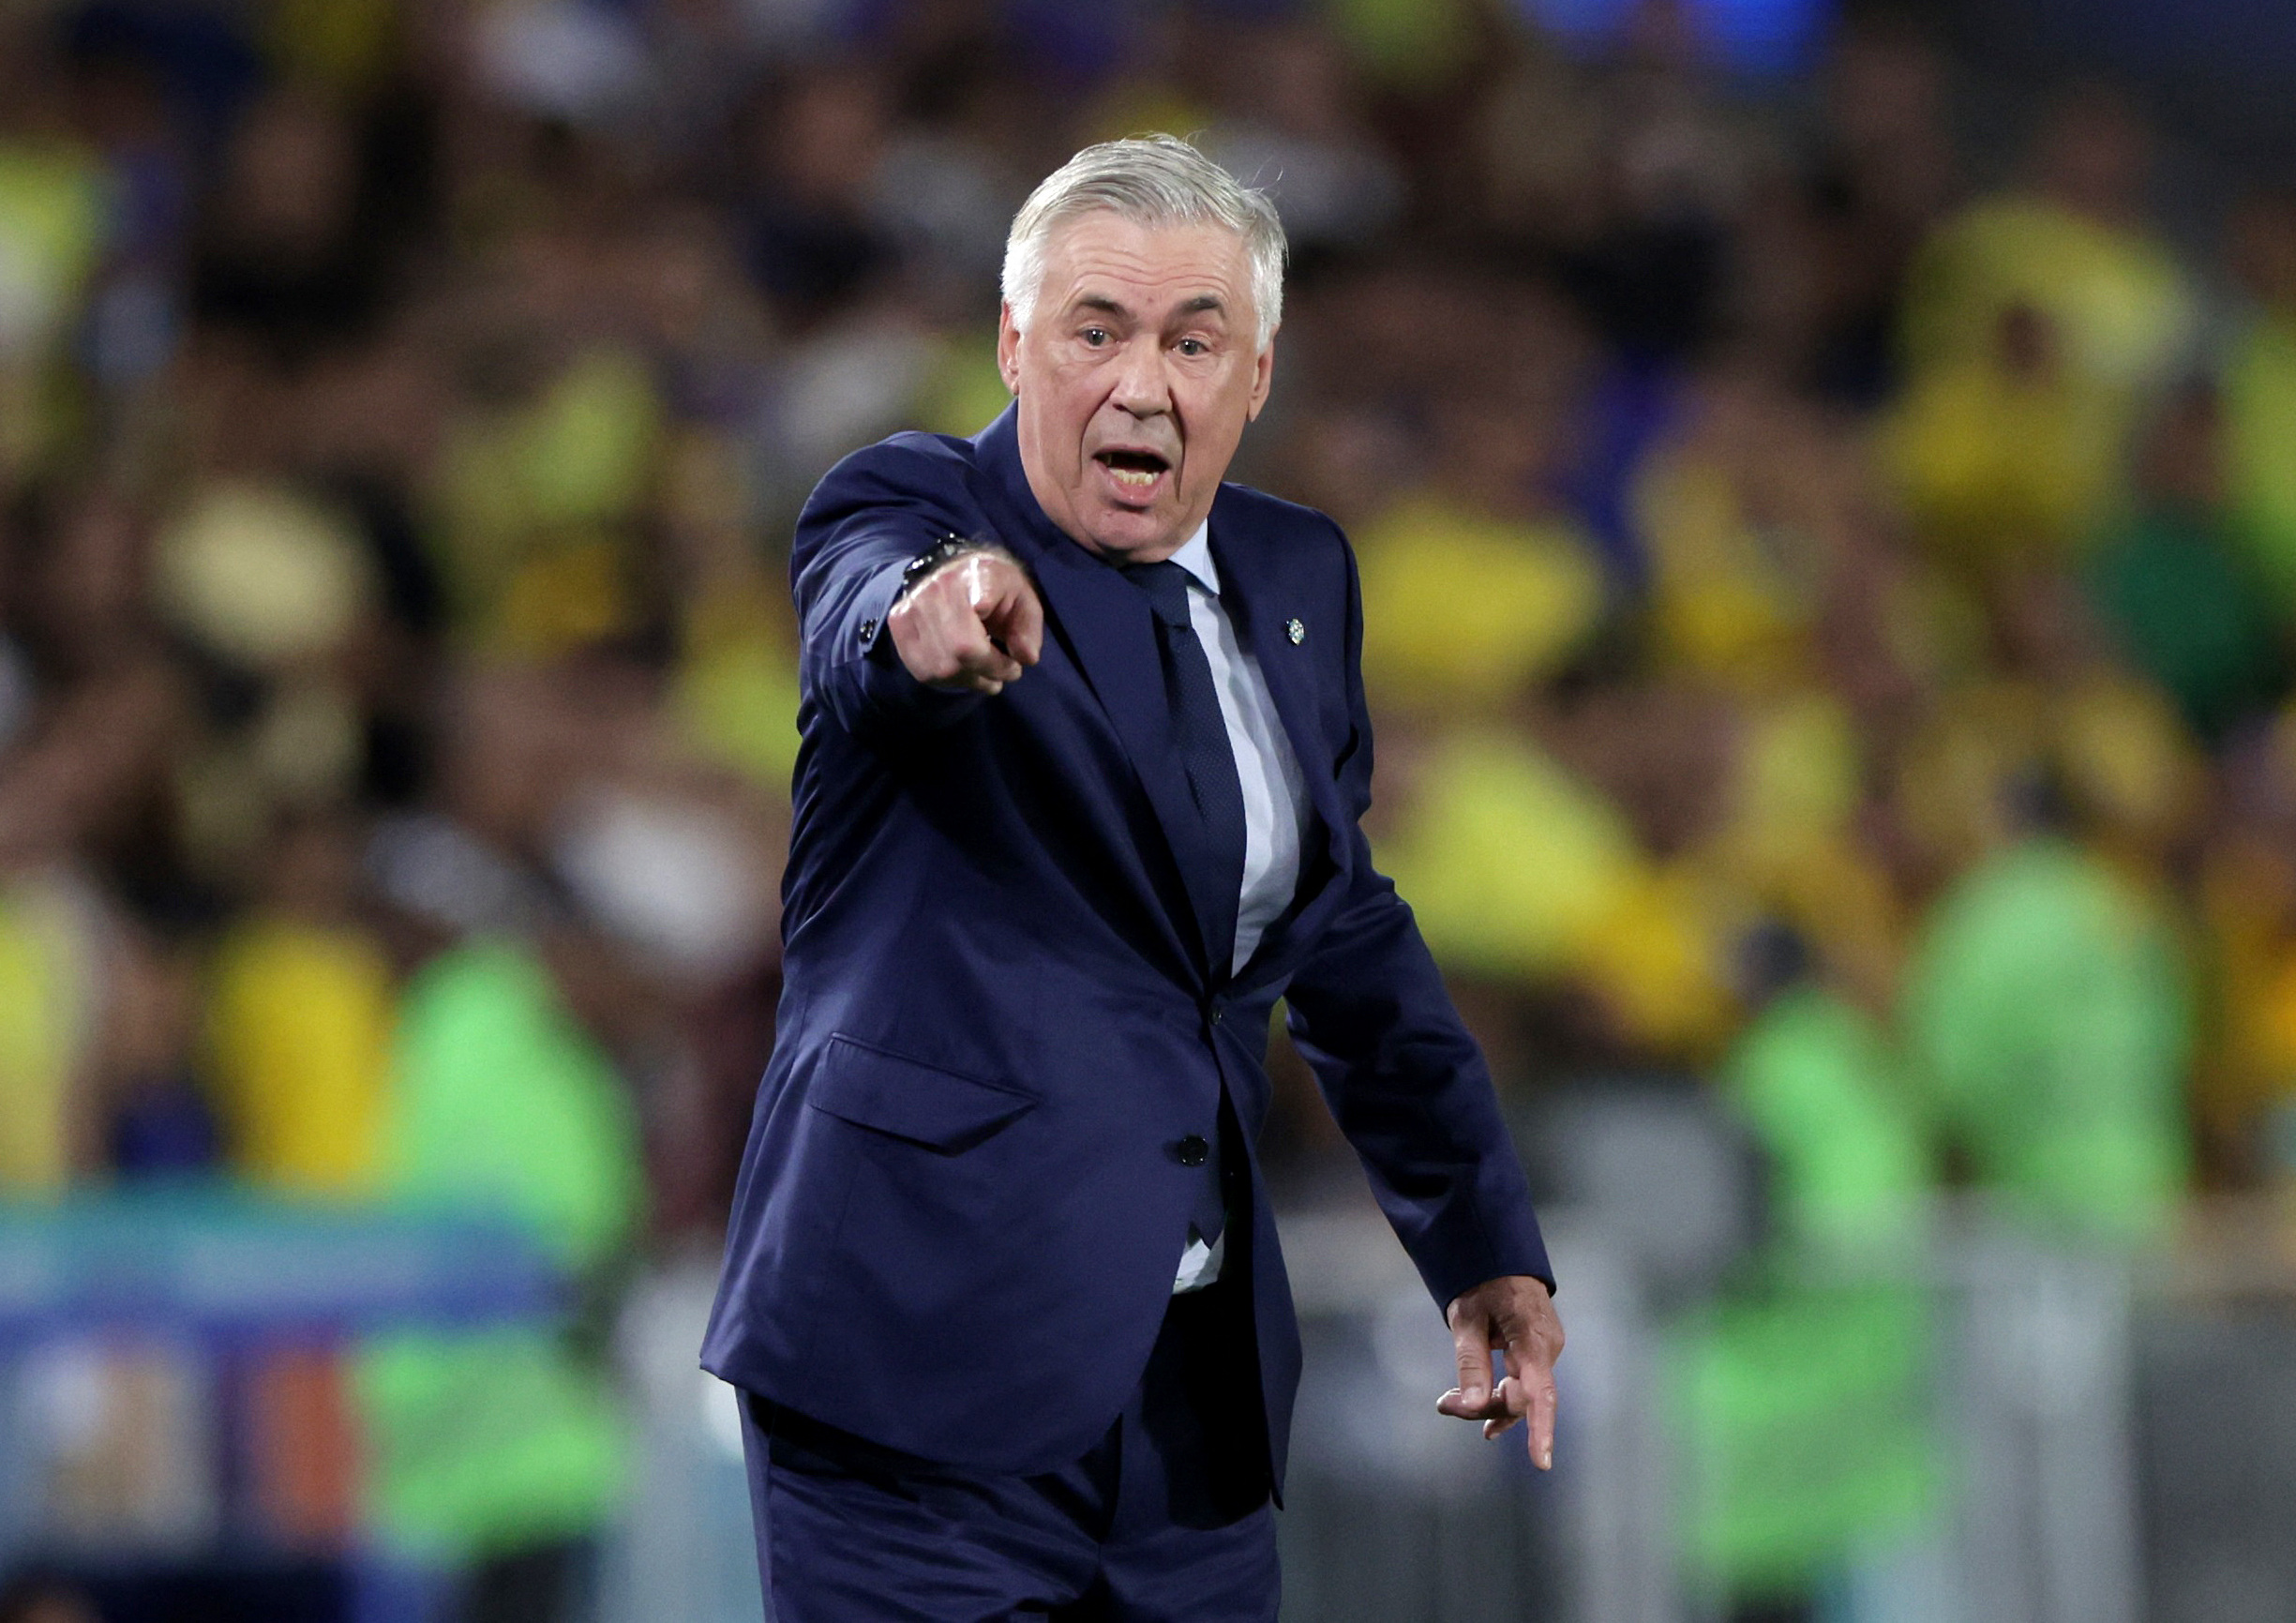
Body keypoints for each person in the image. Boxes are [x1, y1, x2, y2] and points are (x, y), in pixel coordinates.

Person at [703, 135, 1563, 1620]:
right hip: (915, 1384)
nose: (1140, 383)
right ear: (1013, 346)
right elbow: (870, 624)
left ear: (1259, 373)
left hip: (1188, 1422)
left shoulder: (1299, 580)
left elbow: (1342, 935)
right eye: (1094, 331)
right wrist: (931, 624)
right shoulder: (909, 504)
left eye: (1192, 338)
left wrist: (1478, 1236)